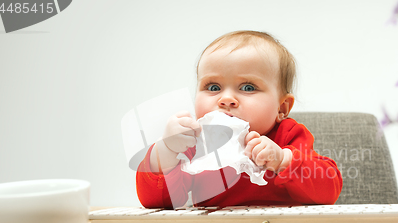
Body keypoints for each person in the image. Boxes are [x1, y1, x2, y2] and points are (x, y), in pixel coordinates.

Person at [136, 30, 343, 209]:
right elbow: (157, 202)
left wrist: (283, 160)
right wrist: (166, 151)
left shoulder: (289, 135)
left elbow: (329, 189)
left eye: (248, 88)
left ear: (282, 108)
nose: (226, 99)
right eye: (213, 87)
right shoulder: (196, 142)